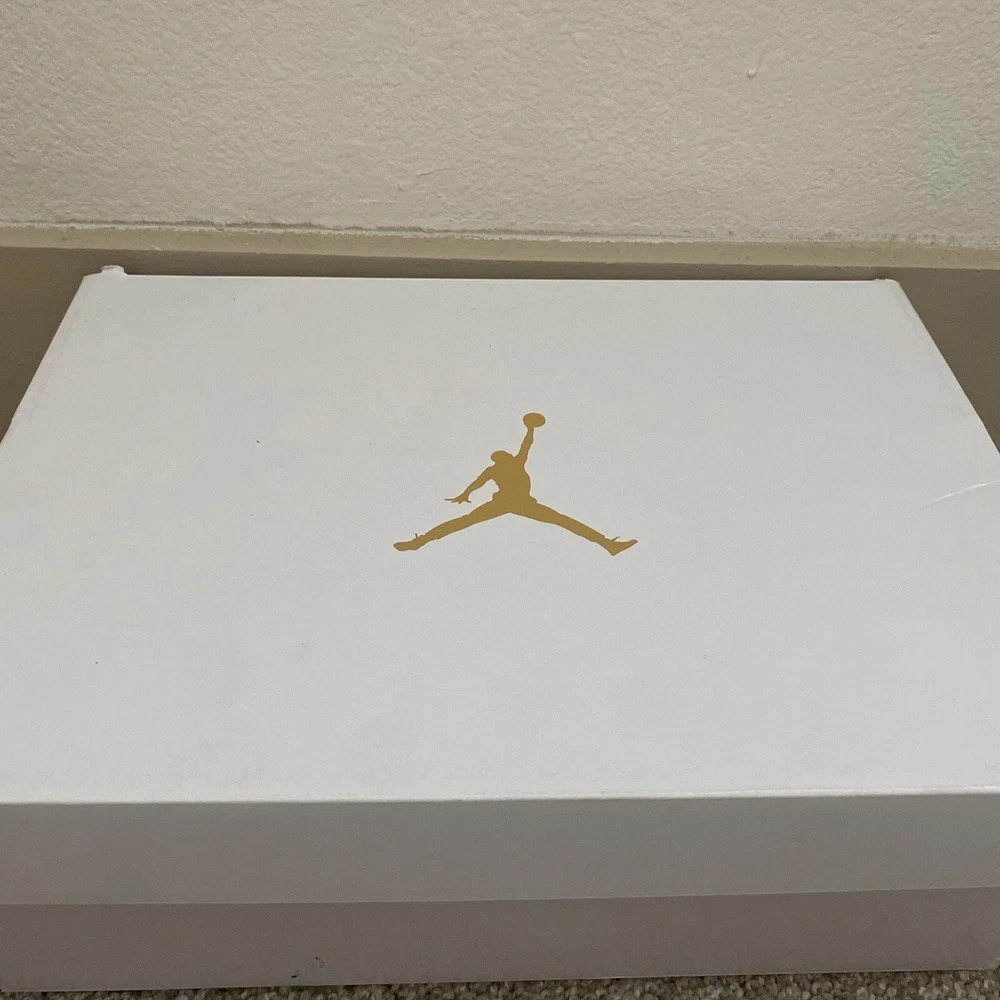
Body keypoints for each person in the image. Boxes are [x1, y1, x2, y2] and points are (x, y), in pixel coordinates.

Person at [394, 413, 637, 555]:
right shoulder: (506, 465)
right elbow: (480, 481)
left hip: (520, 503)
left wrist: (465, 494)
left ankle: (607, 544)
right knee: (563, 521)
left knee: (563, 521)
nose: (509, 454)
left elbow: (524, 446)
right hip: (509, 503)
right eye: (504, 454)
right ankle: (420, 541)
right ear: (502, 458)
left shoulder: (509, 464)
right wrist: (465, 493)